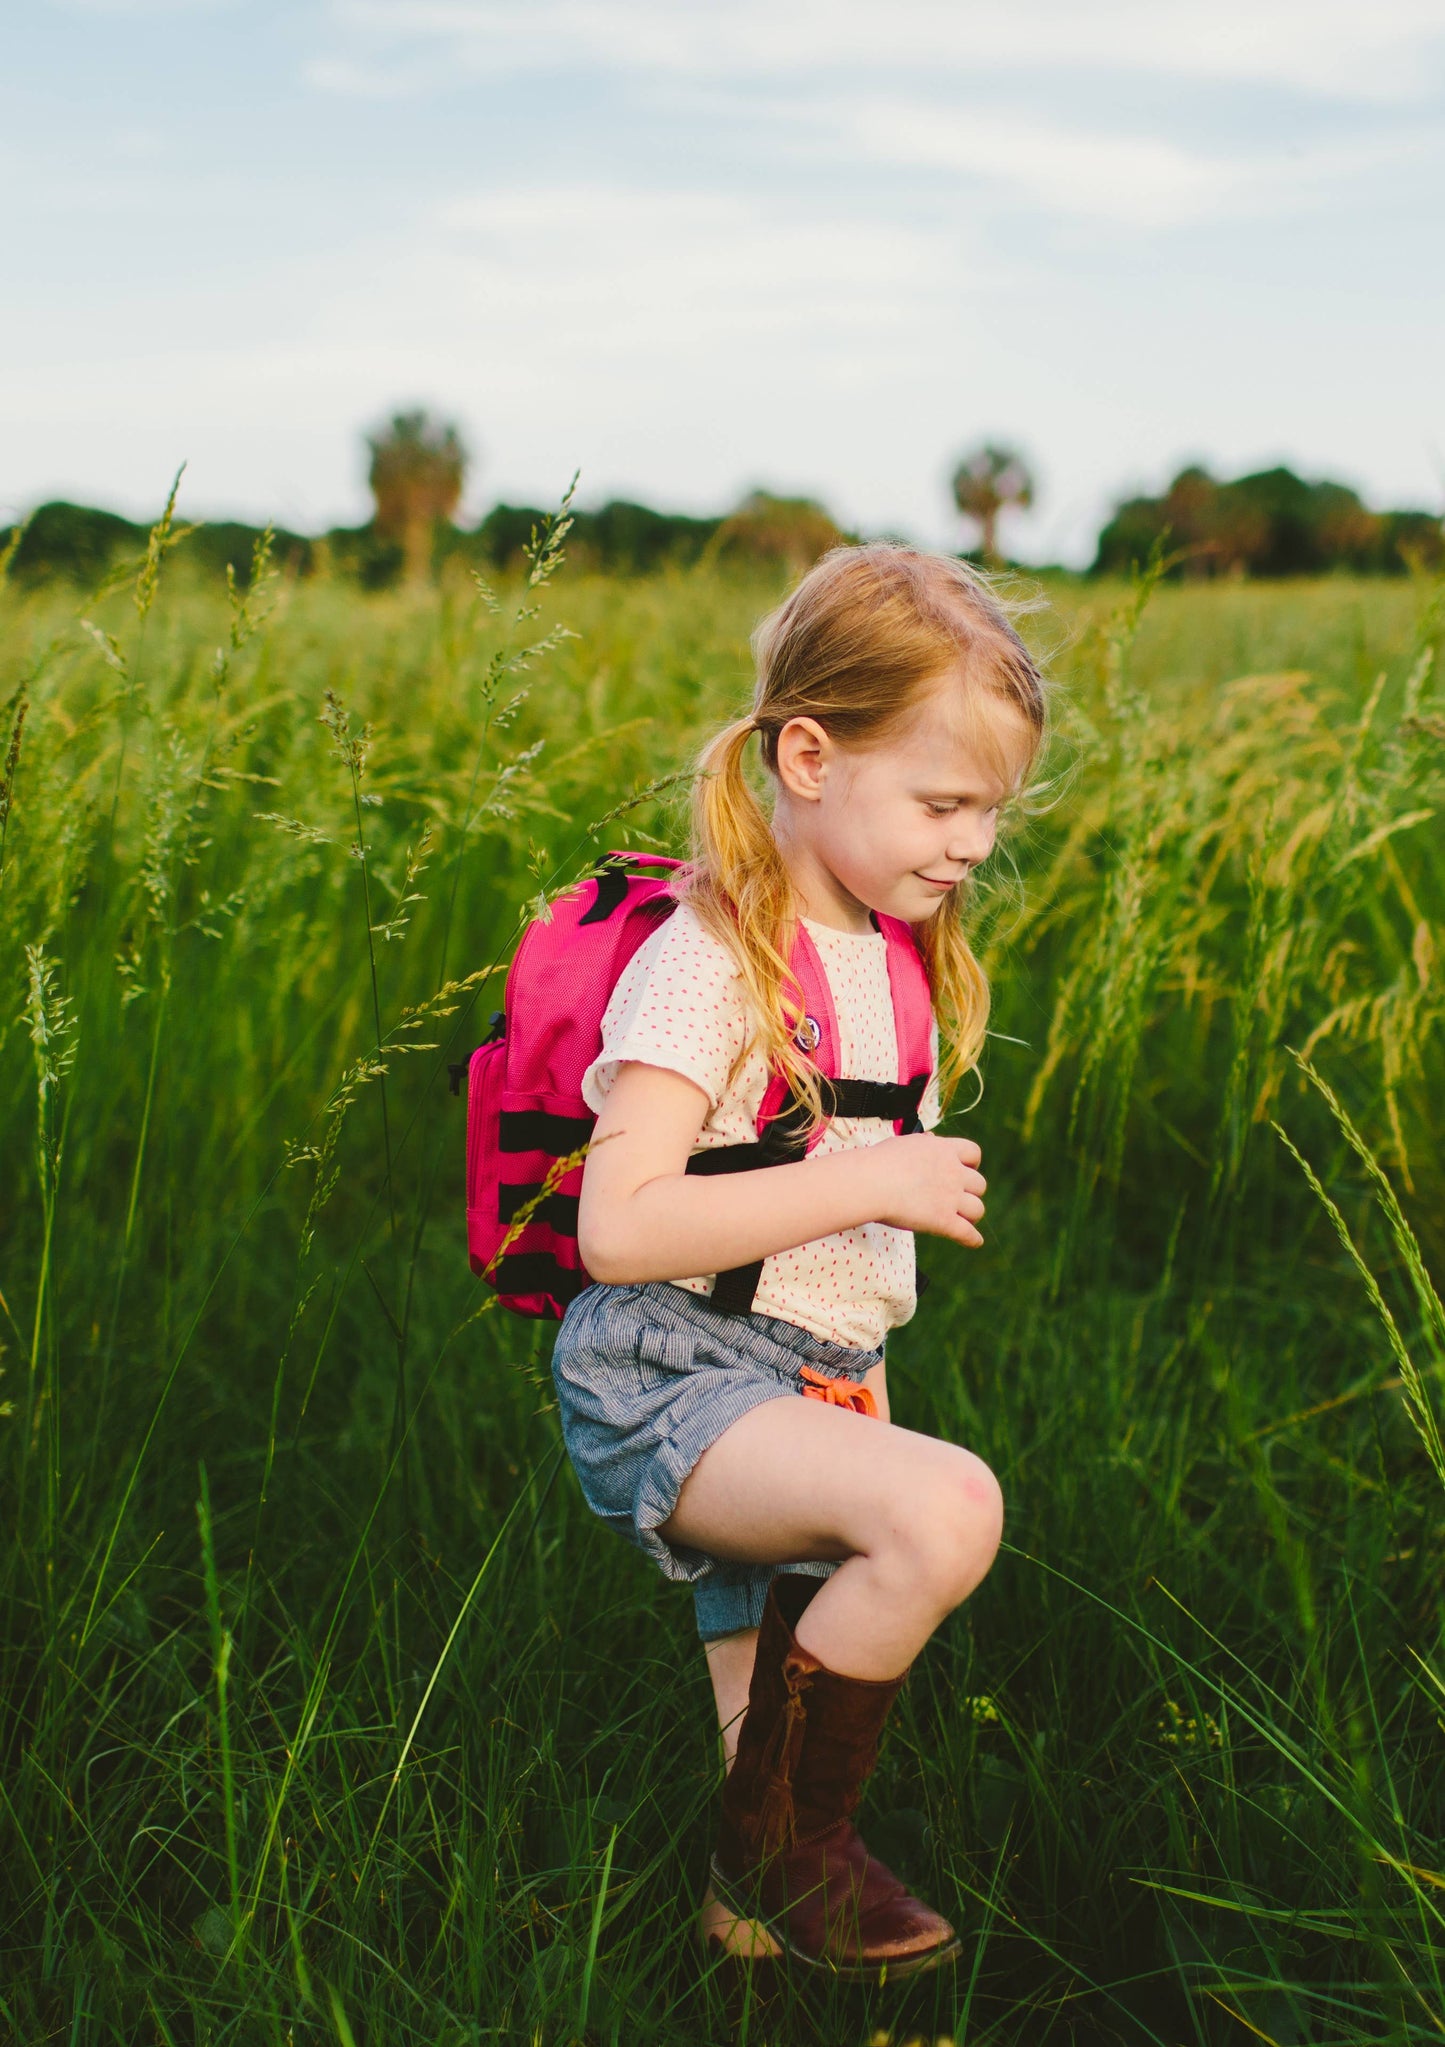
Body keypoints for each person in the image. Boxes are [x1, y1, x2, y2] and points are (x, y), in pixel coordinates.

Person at [550, 543, 1047, 1977]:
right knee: (948, 1510)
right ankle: (802, 1850)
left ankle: (751, 1933)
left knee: (754, 1774)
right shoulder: (713, 961)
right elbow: (617, 1228)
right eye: (943, 804)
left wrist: (855, 1375)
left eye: (991, 811)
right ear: (811, 758)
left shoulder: (892, 951)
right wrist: (870, 1177)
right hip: (672, 1369)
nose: (972, 843)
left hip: (817, 1372)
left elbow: (831, 1257)